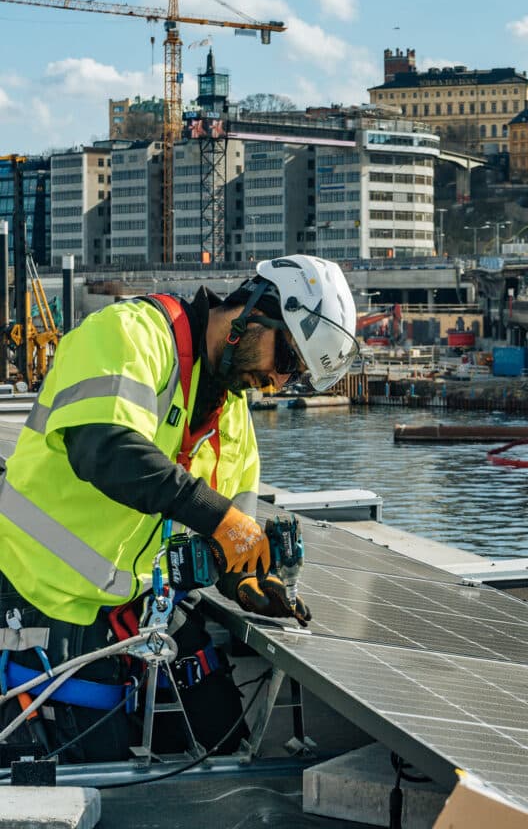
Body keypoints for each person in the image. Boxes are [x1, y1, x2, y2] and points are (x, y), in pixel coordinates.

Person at [0, 254, 358, 762]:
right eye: (285, 359)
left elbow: (231, 534)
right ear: (254, 311)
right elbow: (104, 448)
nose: (278, 382)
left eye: (295, 376)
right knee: (98, 763)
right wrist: (218, 517)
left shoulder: (232, 418)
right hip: (38, 590)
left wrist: (245, 581)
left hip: (136, 602)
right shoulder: (131, 334)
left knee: (221, 730)